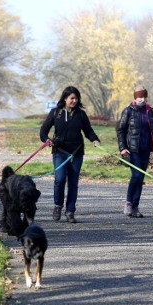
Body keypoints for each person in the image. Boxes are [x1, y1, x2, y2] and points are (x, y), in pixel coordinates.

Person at [39, 86, 100, 223]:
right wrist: (47, 140)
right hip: (59, 152)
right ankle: (58, 206)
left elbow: (88, 131)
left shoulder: (81, 114)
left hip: (76, 153)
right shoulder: (56, 113)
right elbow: (43, 130)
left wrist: (95, 139)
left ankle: (70, 211)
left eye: (76, 98)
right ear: (65, 98)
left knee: (73, 183)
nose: (74, 101)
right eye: (72, 98)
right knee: (60, 180)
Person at [117, 85, 153, 218]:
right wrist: (123, 148)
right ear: (135, 97)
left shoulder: (149, 111)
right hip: (132, 149)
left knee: (140, 178)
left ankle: (135, 207)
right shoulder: (128, 111)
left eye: (144, 96)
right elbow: (121, 130)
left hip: (145, 149)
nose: (142, 99)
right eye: (140, 96)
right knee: (136, 175)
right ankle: (129, 203)